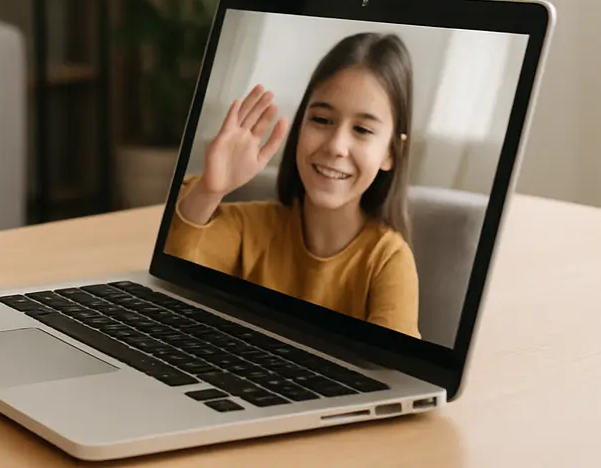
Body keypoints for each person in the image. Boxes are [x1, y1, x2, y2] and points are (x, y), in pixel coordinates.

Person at [164, 33, 421, 337]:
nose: (337, 146)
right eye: (322, 120)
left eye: (363, 129)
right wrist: (210, 189)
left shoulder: (387, 260)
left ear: (392, 152)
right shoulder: (249, 228)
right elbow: (173, 281)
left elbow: (391, 372)